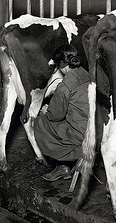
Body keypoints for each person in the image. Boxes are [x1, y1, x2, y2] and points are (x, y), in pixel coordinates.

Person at [34, 44, 90, 181]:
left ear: (60, 65)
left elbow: (55, 115)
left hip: (81, 138)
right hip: (97, 129)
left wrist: (47, 110)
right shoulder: (86, 73)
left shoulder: (65, 86)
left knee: (41, 122)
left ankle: (63, 165)